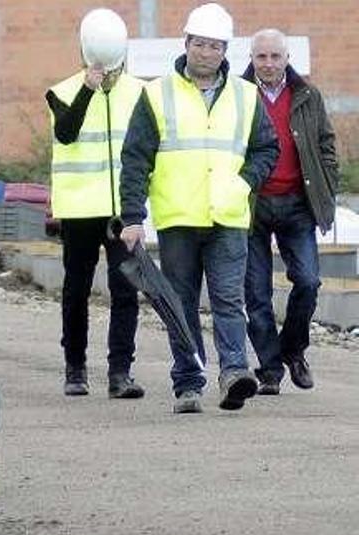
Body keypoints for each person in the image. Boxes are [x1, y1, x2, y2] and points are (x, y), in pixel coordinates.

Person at [119, 3, 279, 414]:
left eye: (214, 46)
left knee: (228, 299)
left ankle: (233, 373)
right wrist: (133, 218)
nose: (206, 52)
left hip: (227, 215)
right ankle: (188, 383)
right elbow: (136, 158)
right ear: (186, 44)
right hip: (178, 218)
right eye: (200, 44)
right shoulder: (156, 94)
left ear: (225, 51)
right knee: (181, 302)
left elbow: (267, 148)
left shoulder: (246, 95)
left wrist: (245, 182)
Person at [45, 8, 144, 399]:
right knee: (77, 290)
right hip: (79, 209)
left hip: (122, 209)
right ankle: (75, 367)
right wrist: (88, 87)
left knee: (125, 290)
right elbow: (67, 134)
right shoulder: (62, 91)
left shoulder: (140, 93)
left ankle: (120, 372)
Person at [241, 29, 339, 395]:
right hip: (252, 203)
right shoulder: (237, 94)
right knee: (256, 292)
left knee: (309, 281)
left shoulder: (308, 96)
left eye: (275, 57)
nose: (268, 64)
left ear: (286, 58)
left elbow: (326, 144)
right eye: (261, 57)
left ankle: (293, 350)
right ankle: (269, 369)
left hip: (298, 202)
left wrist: (326, 186)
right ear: (252, 58)